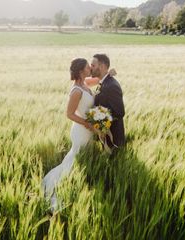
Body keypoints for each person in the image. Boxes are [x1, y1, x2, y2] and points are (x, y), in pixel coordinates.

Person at [41, 58, 95, 212]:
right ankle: (58, 185)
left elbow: (96, 80)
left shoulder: (85, 84)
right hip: (81, 130)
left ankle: (76, 181)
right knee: (76, 157)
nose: (90, 67)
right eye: (87, 66)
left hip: (88, 129)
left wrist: (109, 74)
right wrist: (87, 123)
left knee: (81, 157)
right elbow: (69, 114)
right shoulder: (76, 90)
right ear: (80, 71)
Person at [91, 54, 126, 149]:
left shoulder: (111, 85)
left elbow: (119, 112)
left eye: (93, 65)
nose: (91, 68)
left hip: (113, 139)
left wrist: (101, 123)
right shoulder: (103, 82)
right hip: (106, 136)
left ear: (102, 67)